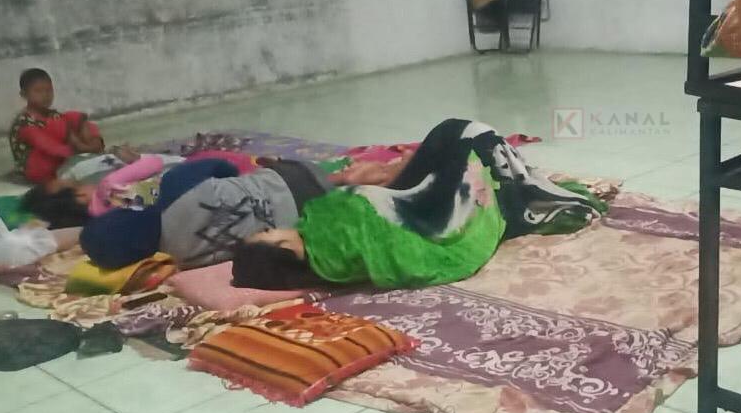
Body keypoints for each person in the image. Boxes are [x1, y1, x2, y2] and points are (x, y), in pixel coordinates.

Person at [232, 119, 604, 291]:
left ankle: (510, 185)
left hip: (410, 200)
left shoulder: (314, 233)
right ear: (282, 250)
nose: (273, 228)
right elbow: (384, 234)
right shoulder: (331, 253)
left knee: (453, 134)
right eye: (267, 234)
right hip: (429, 217)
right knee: (470, 139)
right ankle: (516, 193)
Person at [79, 156, 332, 270]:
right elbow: (224, 167)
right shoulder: (174, 185)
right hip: (300, 179)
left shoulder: (183, 260)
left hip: (311, 221)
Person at [9, 68, 104, 184]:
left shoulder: (53, 115)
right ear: (24, 95)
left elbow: (70, 131)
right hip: (37, 168)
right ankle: (88, 154)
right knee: (61, 125)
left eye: (49, 90)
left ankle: (93, 149)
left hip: (62, 158)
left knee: (75, 118)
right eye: (38, 91)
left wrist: (90, 143)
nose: (45, 95)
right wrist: (80, 149)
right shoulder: (24, 123)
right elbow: (48, 146)